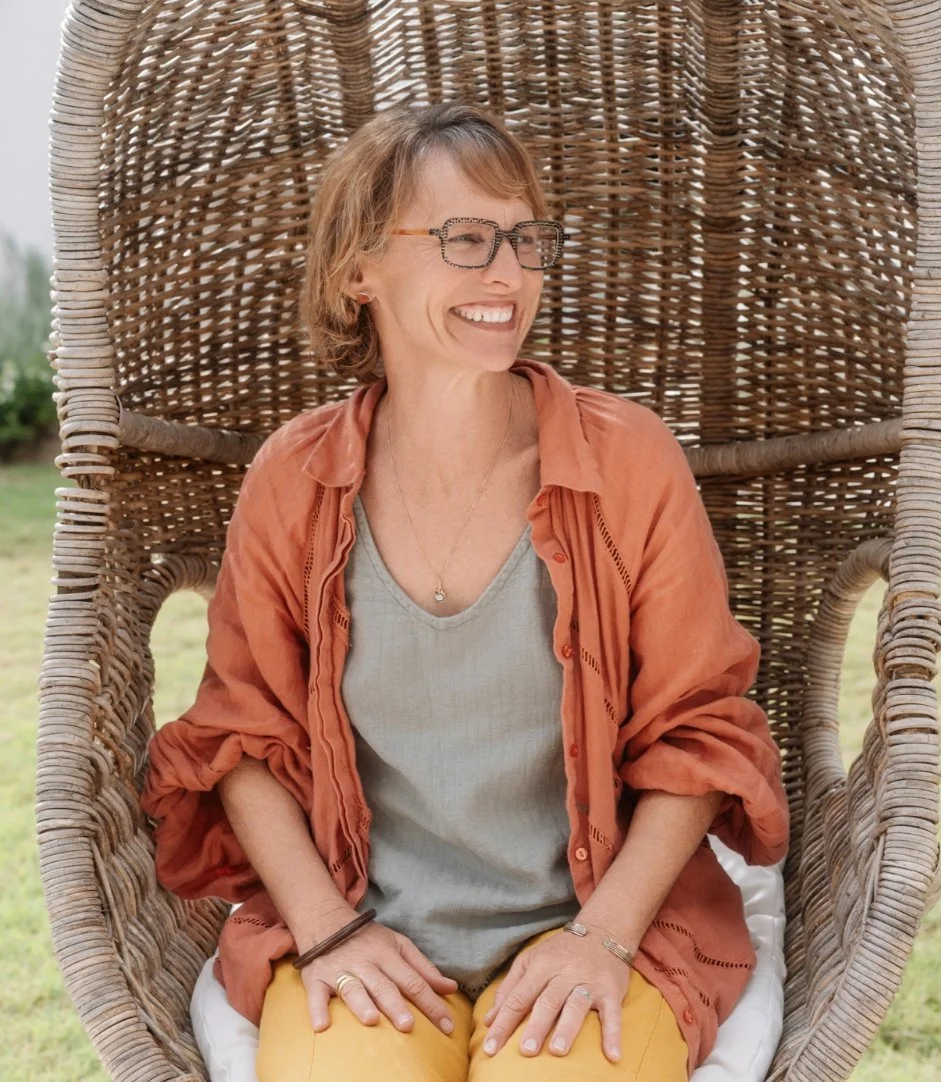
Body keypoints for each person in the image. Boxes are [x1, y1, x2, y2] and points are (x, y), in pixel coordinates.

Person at [141, 102, 790, 1082]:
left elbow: (700, 731)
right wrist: (327, 930)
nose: (509, 274)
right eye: (465, 238)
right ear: (359, 269)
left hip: (601, 929)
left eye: (526, 239)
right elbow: (242, 738)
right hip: (374, 937)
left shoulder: (628, 462)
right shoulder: (293, 479)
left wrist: (601, 938)